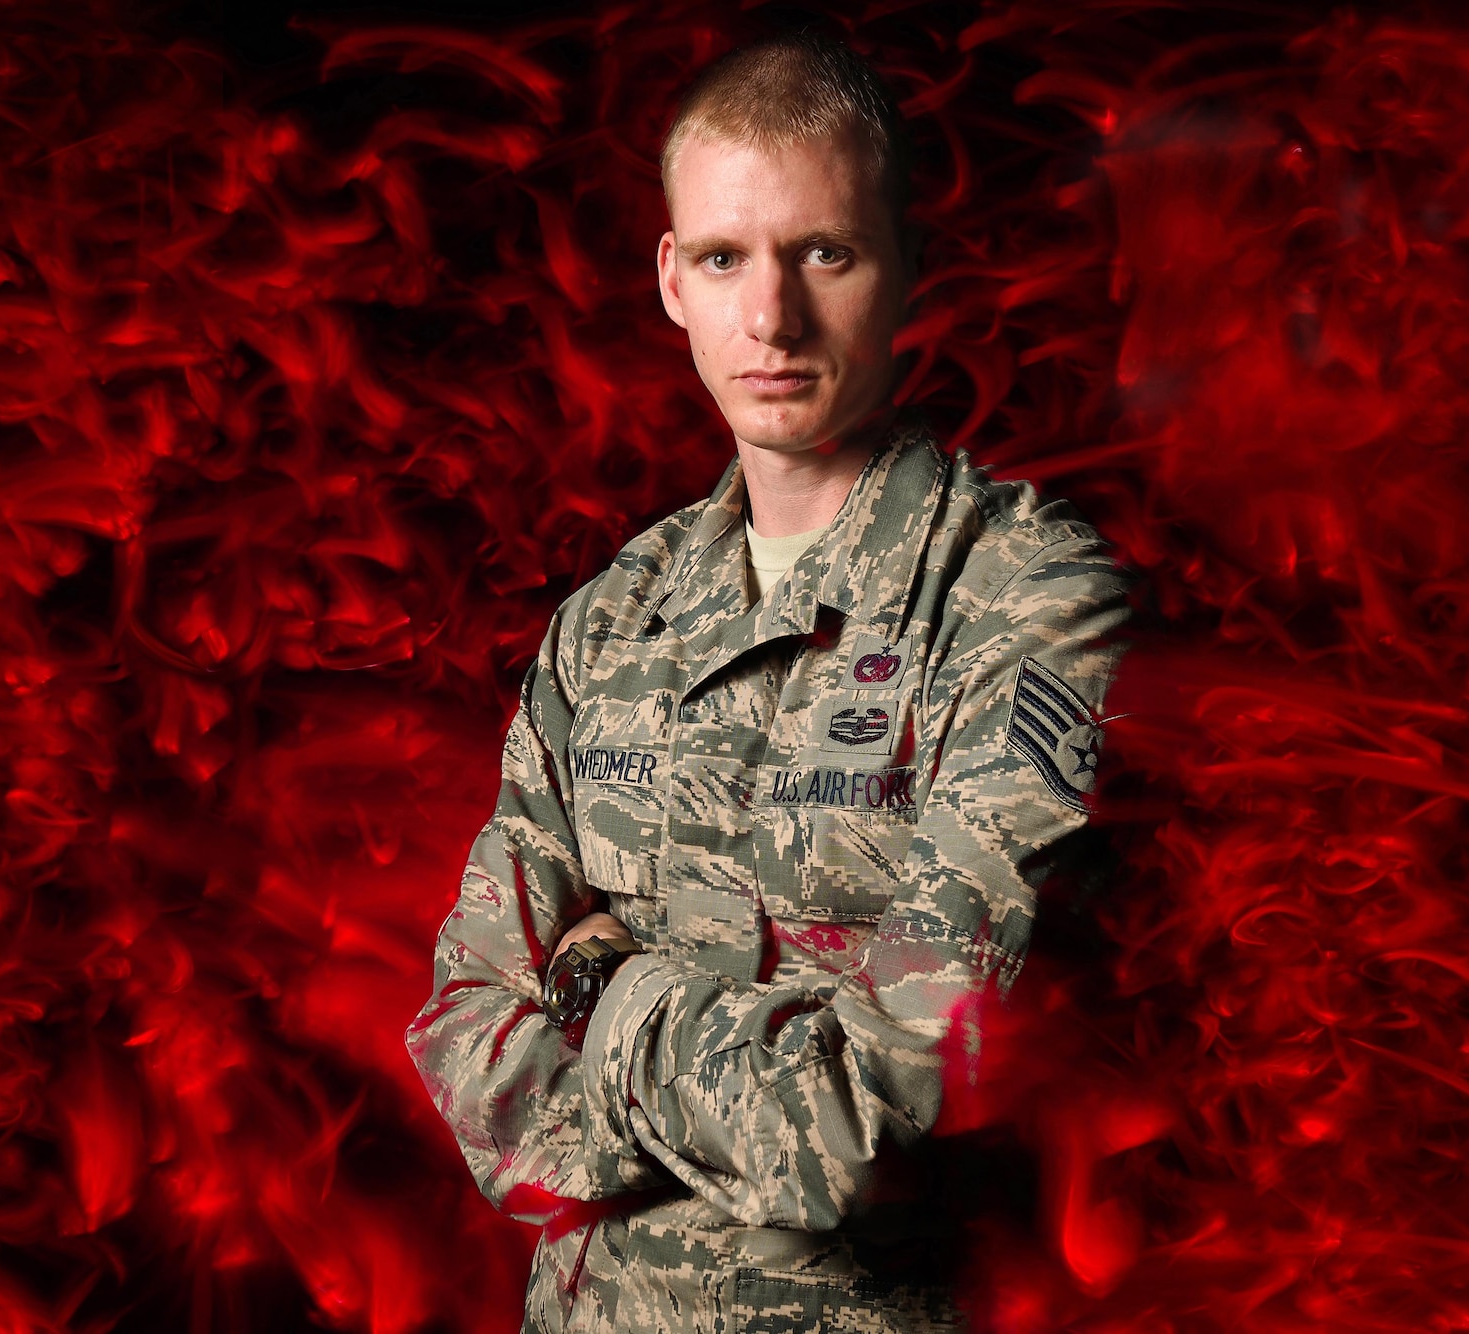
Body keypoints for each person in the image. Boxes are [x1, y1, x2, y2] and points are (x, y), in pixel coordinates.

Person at [405, 29, 1130, 1334]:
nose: (774, 318)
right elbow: (467, 1042)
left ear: (906, 266)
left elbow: (875, 1117)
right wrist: (747, 1059)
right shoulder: (607, 623)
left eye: (826, 253)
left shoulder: (1021, 598)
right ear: (673, 279)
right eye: (730, 258)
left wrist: (599, 987)